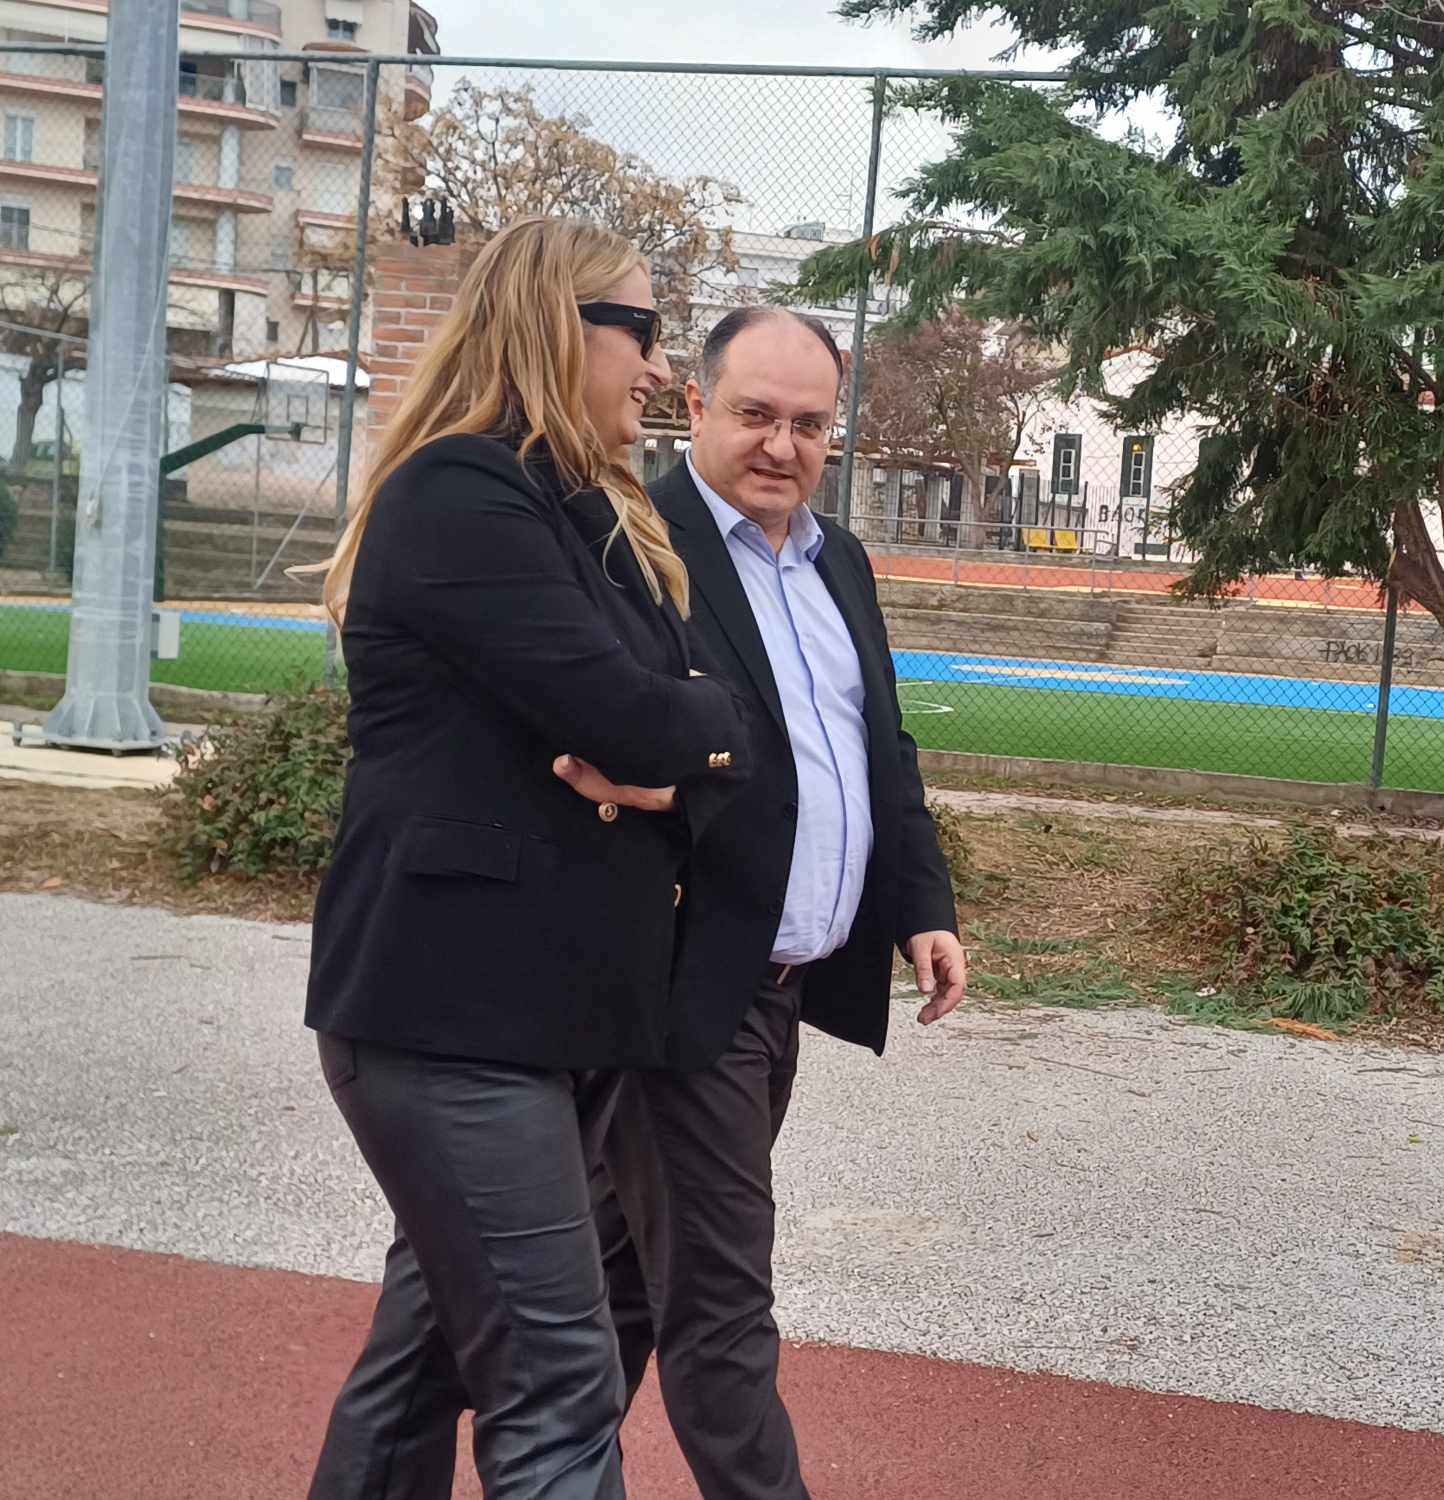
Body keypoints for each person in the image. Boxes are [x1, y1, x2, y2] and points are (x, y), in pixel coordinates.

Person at [301, 305, 967, 1500]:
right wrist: (683, 757)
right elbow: (613, 738)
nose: (782, 446)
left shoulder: (840, 561)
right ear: (695, 406)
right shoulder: (623, 539)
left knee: (509, 1317)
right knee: (711, 1310)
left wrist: (920, 899)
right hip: (674, 987)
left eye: (810, 424)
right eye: (755, 415)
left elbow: (878, 748)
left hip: (776, 988)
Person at [301, 215, 750, 1500]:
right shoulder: (460, 491)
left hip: (546, 1018)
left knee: (422, 1368)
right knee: (558, 1387)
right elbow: (648, 717)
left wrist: (687, 737)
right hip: (452, 1017)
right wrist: (690, 733)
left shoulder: (586, 511)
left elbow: (699, 713)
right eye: (642, 331)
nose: (658, 368)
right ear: (555, 324)